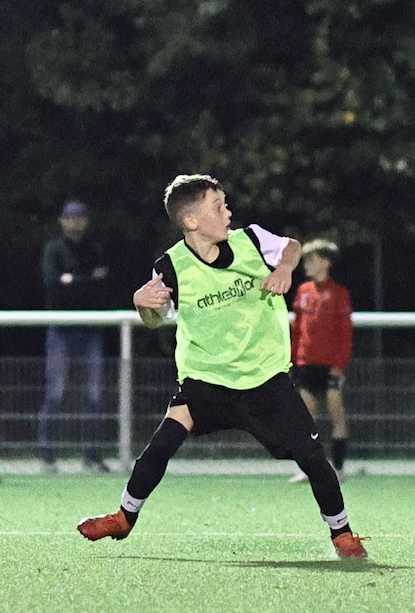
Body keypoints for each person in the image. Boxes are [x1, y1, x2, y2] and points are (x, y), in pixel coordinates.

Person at [76, 174, 368, 558]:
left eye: (226, 204)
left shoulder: (252, 240)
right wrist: (142, 304)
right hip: (206, 379)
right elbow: (155, 319)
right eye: (218, 207)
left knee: (313, 458)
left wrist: (284, 269)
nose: (228, 212)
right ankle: (124, 517)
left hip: (265, 377)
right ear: (191, 221)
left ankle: (342, 534)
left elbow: (293, 247)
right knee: (160, 446)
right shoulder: (170, 267)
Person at [39, 200, 111, 473]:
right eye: (70, 217)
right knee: (55, 392)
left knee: (94, 393)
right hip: (61, 328)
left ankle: (92, 456)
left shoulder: (94, 249)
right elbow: (53, 285)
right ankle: (47, 455)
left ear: (86, 221)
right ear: (62, 221)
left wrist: (72, 279)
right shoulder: (53, 249)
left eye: (80, 217)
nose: (75, 222)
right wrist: (86, 279)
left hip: (90, 328)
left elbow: (102, 286)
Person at [288, 239, 353, 484]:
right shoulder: (303, 291)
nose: (306, 264)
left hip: (330, 366)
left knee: (337, 416)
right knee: (305, 419)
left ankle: (338, 468)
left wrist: (339, 365)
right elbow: (297, 329)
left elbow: (345, 333)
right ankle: (310, 469)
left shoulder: (339, 294)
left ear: (325, 263)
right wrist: (292, 359)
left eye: (311, 259)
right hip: (305, 363)